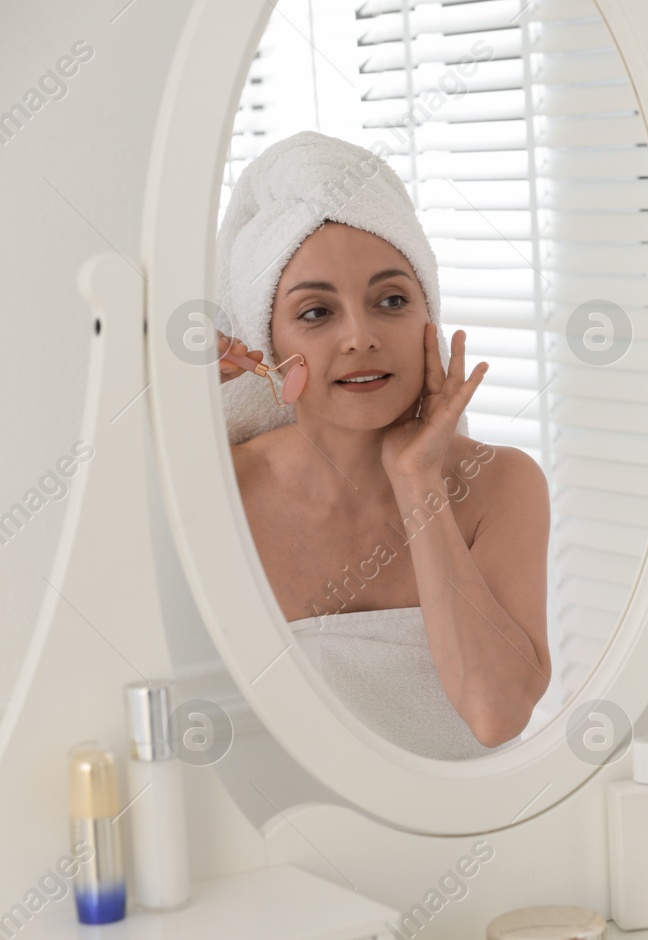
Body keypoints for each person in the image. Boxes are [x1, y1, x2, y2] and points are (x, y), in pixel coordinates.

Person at [213, 132, 551, 760]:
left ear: (430, 314)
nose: (360, 336)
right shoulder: (221, 493)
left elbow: (495, 715)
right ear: (266, 343)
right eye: (316, 313)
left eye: (391, 300)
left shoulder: (502, 485)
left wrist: (418, 477)